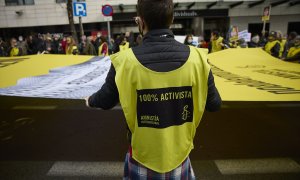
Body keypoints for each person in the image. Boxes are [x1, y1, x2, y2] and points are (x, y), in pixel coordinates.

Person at [85, 0, 221, 178]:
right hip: (180, 155)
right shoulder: (199, 59)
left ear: (140, 22)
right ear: (171, 20)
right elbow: (214, 104)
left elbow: (105, 100)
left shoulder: (124, 61)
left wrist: (90, 100)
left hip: (142, 156)